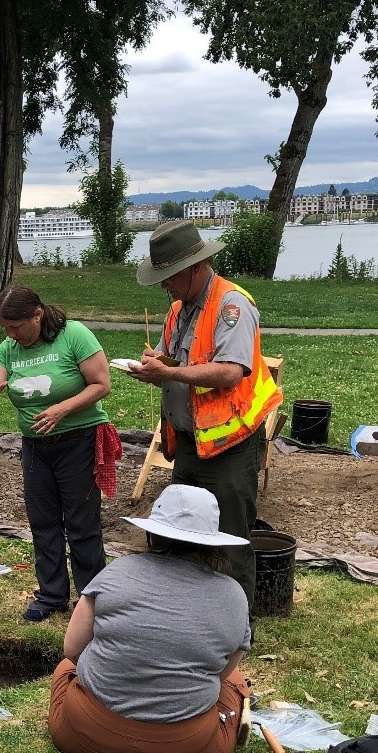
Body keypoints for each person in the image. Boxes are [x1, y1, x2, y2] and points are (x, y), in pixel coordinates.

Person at [125, 220, 282, 606]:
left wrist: (169, 372)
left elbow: (231, 371)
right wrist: (153, 367)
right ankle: (195, 614)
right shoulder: (178, 309)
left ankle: (236, 631)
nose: (165, 285)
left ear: (197, 266)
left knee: (230, 538)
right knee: (183, 534)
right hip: (190, 443)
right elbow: (173, 361)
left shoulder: (232, 305)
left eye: (169, 276)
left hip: (229, 444)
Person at [47, 484, 253, 753]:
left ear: (152, 531)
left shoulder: (117, 571)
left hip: (86, 736)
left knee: (64, 669)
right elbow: (220, 674)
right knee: (234, 682)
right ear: (213, 541)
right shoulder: (233, 595)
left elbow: (72, 650)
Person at [0, 283, 112, 622]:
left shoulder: (74, 335)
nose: (10, 334)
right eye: (5, 328)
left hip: (79, 440)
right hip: (35, 448)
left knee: (81, 524)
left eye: (15, 326)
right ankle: (52, 595)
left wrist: (62, 410)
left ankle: (93, 600)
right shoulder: (8, 347)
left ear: (37, 315)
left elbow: (102, 384)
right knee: (43, 521)